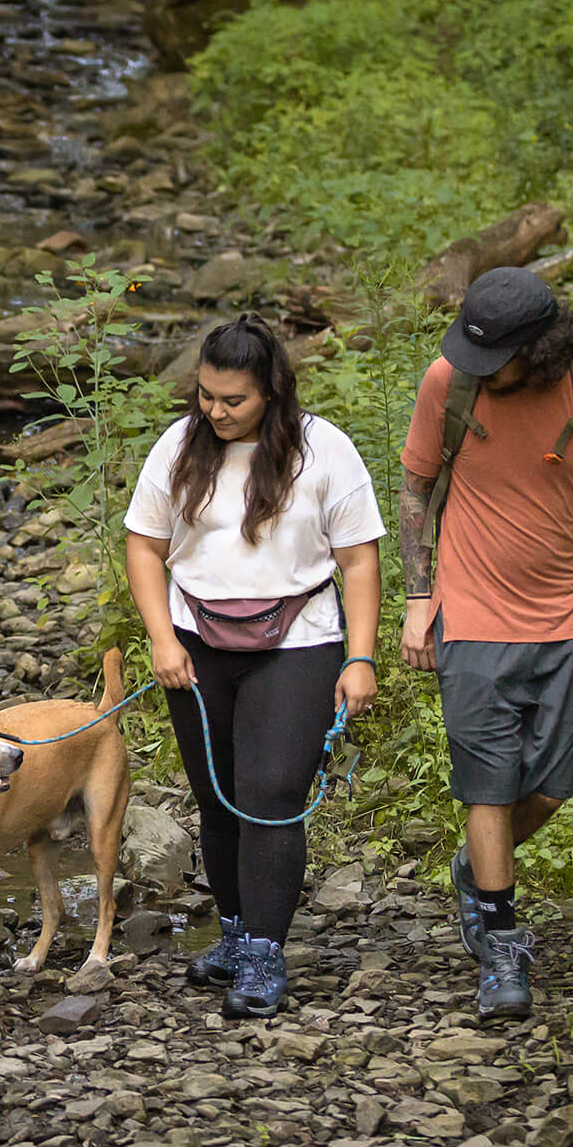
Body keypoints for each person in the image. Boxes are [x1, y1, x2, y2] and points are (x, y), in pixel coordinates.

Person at [395, 268, 573, 1022]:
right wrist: (417, 597)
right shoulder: (450, 383)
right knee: (489, 787)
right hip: (468, 621)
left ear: (538, 348)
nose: (469, 367)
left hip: (559, 623)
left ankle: (477, 866)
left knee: (549, 788)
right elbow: (414, 491)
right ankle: (500, 946)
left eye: (489, 355)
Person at [124, 315, 384, 1020]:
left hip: (298, 641)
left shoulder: (323, 449)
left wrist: (358, 658)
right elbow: (144, 546)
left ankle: (267, 954)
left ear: (270, 390)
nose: (215, 411)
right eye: (206, 395)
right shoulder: (179, 447)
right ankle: (235, 936)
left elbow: (359, 561)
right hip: (194, 640)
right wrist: (161, 639)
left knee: (268, 795)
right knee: (216, 797)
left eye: (232, 400)